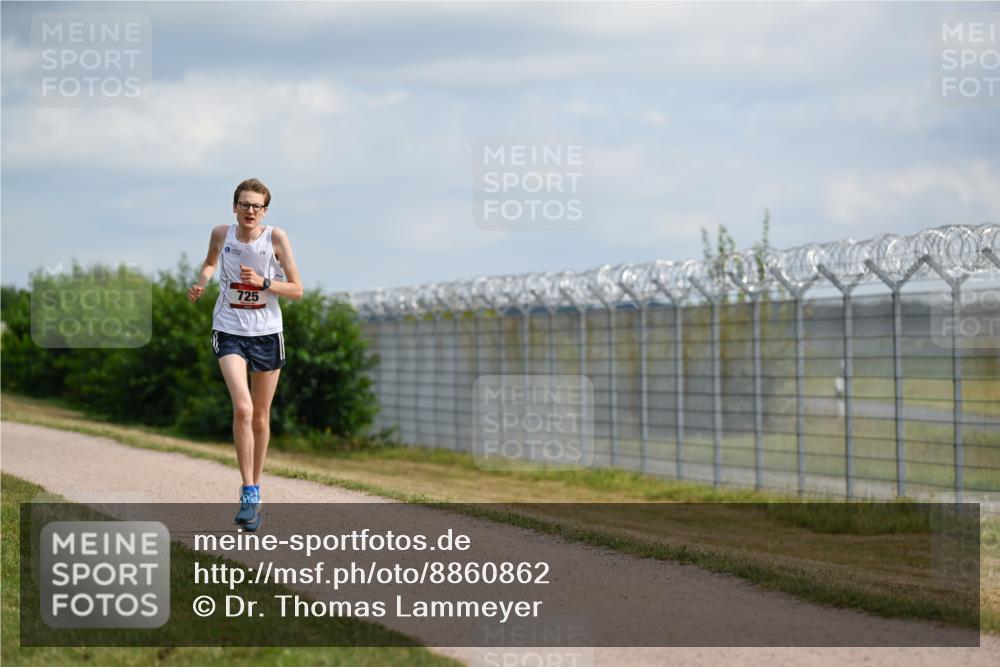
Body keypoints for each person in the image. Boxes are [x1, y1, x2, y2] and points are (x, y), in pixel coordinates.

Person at [187, 178, 303, 531]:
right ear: (234, 207)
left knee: (261, 417)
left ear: (264, 211)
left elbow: (297, 290)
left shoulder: (276, 239)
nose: (250, 210)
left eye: (257, 206)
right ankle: (248, 492)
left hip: (267, 333)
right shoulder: (222, 234)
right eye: (245, 204)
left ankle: (257, 484)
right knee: (243, 407)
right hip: (229, 328)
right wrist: (203, 281)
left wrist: (264, 283)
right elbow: (209, 262)